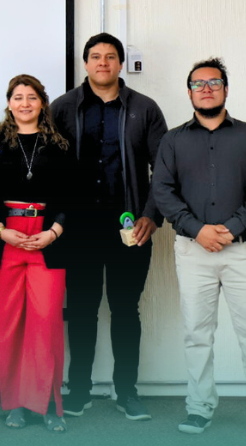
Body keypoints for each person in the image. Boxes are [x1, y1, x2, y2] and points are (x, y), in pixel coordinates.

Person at [152, 58, 246, 444]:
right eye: (198, 84)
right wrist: (197, 229)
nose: (206, 88)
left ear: (226, 89)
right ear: (189, 92)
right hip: (192, 251)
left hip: (242, 252)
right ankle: (199, 408)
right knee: (197, 334)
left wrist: (232, 228)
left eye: (214, 82)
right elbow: (162, 191)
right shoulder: (173, 140)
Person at [50, 32, 167, 420]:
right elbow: (48, 166)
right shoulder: (62, 108)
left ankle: (127, 392)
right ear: (85, 63)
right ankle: (79, 391)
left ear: (120, 63)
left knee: (126, 310)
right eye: (96, 56)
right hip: (77, 229)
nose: (103, 62)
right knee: (81, 311)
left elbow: (164, 169)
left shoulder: (145, 109)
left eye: (111, 56)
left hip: (130, 228)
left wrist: (151, 215)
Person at [0, 74, 72, 433]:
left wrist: (54, 232)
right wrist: (1, 230)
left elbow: (72, 197)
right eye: (18, 97)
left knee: (45, 326)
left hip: (47, 242)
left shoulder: (60, 145)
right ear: (8, 103)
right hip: (5, 241)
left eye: (31, 97)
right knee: (7, 327)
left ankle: (48, 404)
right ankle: (15, 403)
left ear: (42, 103)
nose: (24, 104)